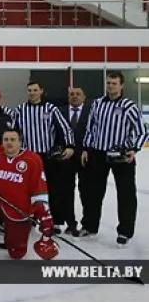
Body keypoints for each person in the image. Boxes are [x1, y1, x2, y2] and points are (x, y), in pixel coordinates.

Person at [80, 71, 148, 246]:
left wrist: (133, 149)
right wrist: (87, 148)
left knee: (126, 194)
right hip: (98, 153)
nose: (110, 86)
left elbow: (142, 130)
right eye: (109, 83)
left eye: (114, 83)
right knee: (93, 192)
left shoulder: (128, 106)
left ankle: (125, 231)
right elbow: (91, 128)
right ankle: (89, 226)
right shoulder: (97, 104)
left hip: (121, 155)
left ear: (121, 85)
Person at [0, 128, 57, 260]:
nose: (9, 143)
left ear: (20, 142)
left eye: (13, 140)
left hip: (19, 208)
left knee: (16, 254)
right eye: (6, 140)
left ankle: (11, 236)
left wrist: (44, 217)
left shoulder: (33, 160)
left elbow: (39, 191)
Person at [12, 81, 75, 236]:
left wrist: (70, 146)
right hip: (28, 158)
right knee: (28, 190)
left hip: (48, 157)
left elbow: (65, 128)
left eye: (35, 90)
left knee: (53, 189)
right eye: (29, 90)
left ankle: (56, 220)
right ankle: (31, 217)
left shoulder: (51, 109)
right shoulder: (20, 110)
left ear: (41, 91)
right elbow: (13, 132)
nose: (32, 93)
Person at [61, 86, 90, 237]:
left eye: (78, 94)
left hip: (86, 158)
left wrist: (87, 149)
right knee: (66, 191)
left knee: (87, 192)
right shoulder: (60, 111)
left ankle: (88, 224)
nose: (74, 96)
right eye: (72, 94)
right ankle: (70, 223)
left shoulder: (92, 112)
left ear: (84, 97)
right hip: (66, 158)